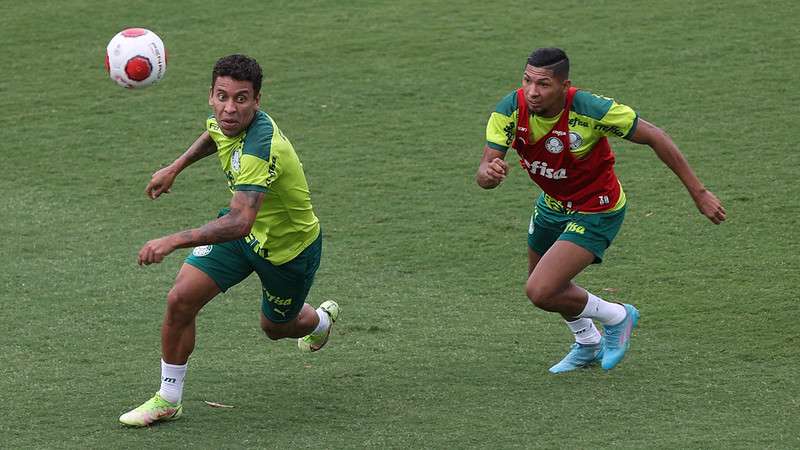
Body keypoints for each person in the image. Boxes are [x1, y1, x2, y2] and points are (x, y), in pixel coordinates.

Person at [119, 54, 340, 426]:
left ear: (257, 101)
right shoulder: (227, 121)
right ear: (210, 95)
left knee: (276, 328)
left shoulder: (261, 145)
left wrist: (173, 240)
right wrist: (175, 167)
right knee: (180, 298)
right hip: (241, 237)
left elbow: (239, 221)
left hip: (286, 251)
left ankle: (318, 321)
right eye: (222, 97)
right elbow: (214, 135)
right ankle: (168, 399)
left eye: (241, 99)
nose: (229, 108)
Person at [476, 48, 725, 373]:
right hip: (552, 206)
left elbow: (656, 136)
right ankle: (588, 343)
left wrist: (700, 193)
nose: (533, 91)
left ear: (565, 86)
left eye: (544, 84)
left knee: (540, 290)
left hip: (596, 208)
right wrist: (488, 174)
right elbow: (484, 171)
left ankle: (618, 316)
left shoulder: (591, 110)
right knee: (549, 288)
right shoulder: (511, 109)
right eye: (527, 80)